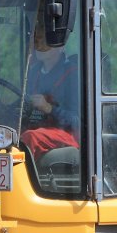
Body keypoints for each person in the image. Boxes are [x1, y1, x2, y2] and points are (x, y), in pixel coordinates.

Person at [22, 18, 80, 156]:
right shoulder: (33, 72)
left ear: (60, 46)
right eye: (37, 40)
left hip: (67, 134)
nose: (39, 44)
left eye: (45, 40)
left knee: (30, 137)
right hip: (38, 128)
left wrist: (48, 108)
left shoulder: (73, 74)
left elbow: (77, 122)